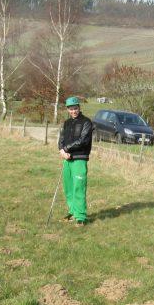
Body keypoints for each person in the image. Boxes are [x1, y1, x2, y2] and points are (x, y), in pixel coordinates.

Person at [58, 97, 93, 227]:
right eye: (71, 109)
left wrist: (67, 149)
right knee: (69, 187)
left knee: (79, 187)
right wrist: (61, 150)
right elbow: (61, 139)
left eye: (76, 108)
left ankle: (81, 216)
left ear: (79, 107)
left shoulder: (86, 122)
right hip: (67, 159)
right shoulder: (66, 123)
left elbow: (83, 141)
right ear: (68, 109)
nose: (74, 111)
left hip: (80, 158)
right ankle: (72, 212)